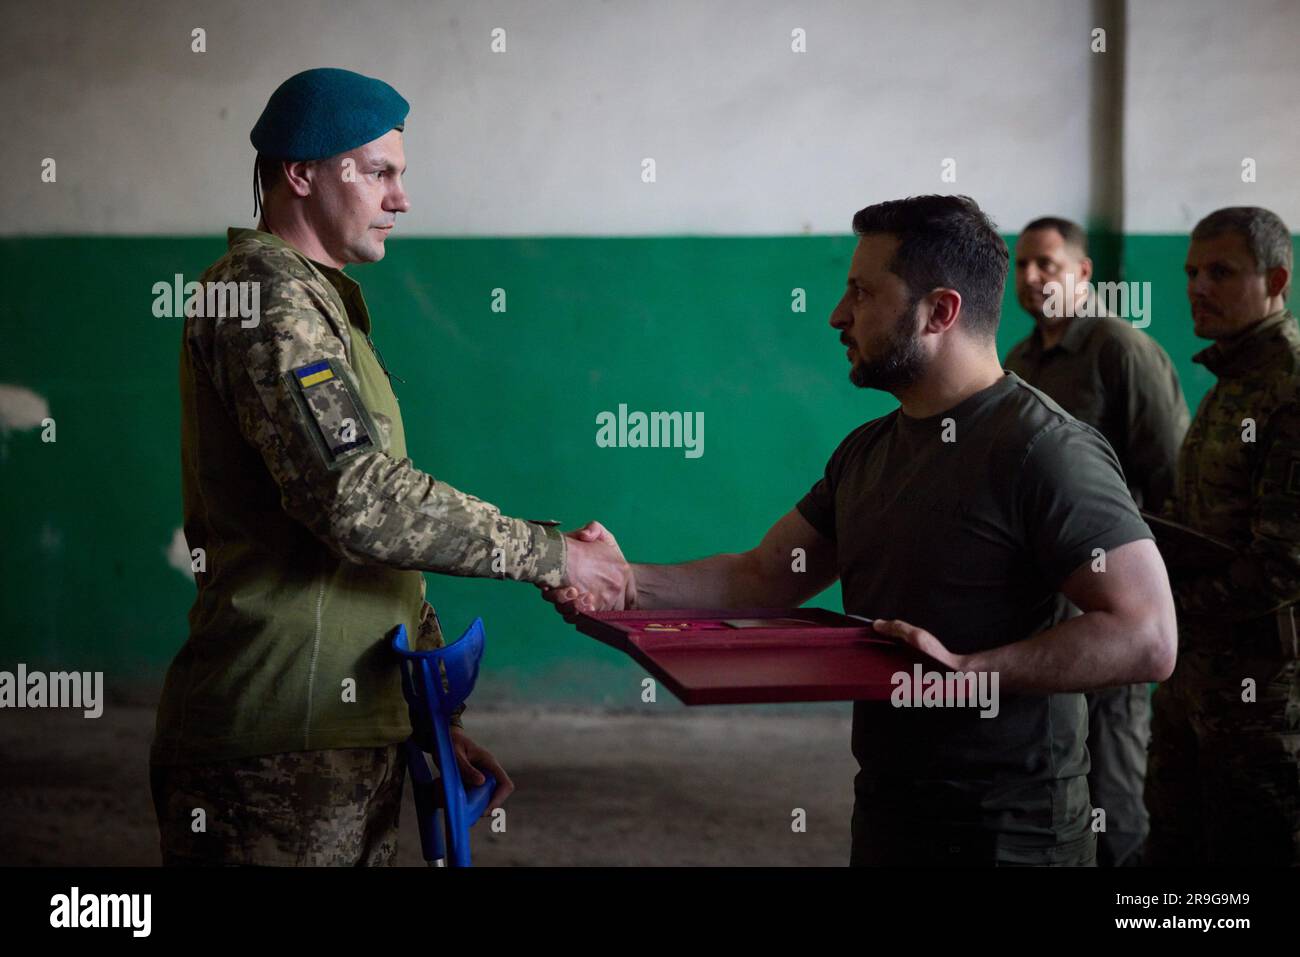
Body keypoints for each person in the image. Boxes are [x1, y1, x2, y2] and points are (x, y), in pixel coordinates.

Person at [547, 195, 1176, 866]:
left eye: (861, 293)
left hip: (1013, 833)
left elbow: (1147, 633)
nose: (837, 315)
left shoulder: (1045, 448)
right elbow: (765, 574)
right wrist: (625, 580)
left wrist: (972, 672)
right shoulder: (867, 451)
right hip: (888, 811)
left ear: (939, 311)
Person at [150, 68, 629, 866]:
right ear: (301, 174)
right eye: (378, 173)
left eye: (399, 175)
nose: (400, 199)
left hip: (340, 728)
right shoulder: (261, 297)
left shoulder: (317, 302)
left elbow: (376, 541)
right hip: (277, 740)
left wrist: (430, 719)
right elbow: (354, 498)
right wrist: (554, 554)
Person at [1004, 216, 1190, 866]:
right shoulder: (1019, 362)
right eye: (1022, 264)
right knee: (1053, 781)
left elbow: (1172, 481)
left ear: (1082, 272)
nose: (1030, 277)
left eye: (1046, 264)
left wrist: (1151, 601)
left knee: (1114, 784)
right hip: (1041, 614)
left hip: (1111, 608)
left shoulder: (1122, 350)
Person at [1144, 206, 1300, 866]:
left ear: (1275, 279)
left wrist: (1157, 607)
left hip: (1262, 695)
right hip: (1194, 680)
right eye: (1190, 272)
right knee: (1179, 852)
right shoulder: (1230, 382)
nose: (1197, 287)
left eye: (1221, 271)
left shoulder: (1288, 390)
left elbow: (1284, 567)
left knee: (1253, 854)